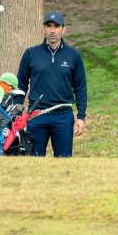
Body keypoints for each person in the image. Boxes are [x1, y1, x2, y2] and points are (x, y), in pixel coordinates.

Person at [16, 11, 87, 157]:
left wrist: (80, 116)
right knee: (33, 160)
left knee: (63, 160)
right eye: (49, 26)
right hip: (37, 116)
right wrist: (16, 113)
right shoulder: (31, 54)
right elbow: (21, 85)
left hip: (63, 116)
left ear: (63, 29)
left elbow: (80, 87)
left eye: (56, 26)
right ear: (44, 29)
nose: (52, 30)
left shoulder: (73, 56)